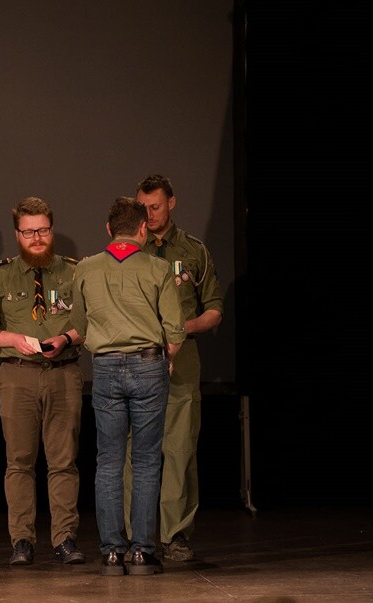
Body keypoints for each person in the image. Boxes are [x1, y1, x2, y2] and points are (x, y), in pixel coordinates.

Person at [71, 196, 185, 576]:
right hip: (149, 364)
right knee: (148, 459)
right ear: (143, 228)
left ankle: (111, 552)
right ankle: (141, 551)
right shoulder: (157, 267)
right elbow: (175, 328)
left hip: (104, 367)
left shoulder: (85, 268)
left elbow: (80, 326)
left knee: (109, 460)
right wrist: (164, 359)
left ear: (108, 229)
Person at [0, 197, 86, 567]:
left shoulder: (75, 271)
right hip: (17, 375)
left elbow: (87, 325)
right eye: (29, 231)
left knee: (63, 461)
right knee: (19, 462)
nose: (36, 237)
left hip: (64, 373)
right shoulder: (0, 274)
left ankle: (65, 539)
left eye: (42, 229)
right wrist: (12, 339)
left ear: (51, 230)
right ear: (17, 234)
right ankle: (22, 540)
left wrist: (67, 338)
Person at [127, 174, 224, 561]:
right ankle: (138, 535)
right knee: (135, 449)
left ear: (171, 203)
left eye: (155, 206)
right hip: (135, 359)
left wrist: (184, 328)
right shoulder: (128, 250)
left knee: (180, 449)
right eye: (142, 208)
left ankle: (176, 536)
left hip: (182, 360)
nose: (148, 214)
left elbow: (214, 309)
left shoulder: (194, 250)